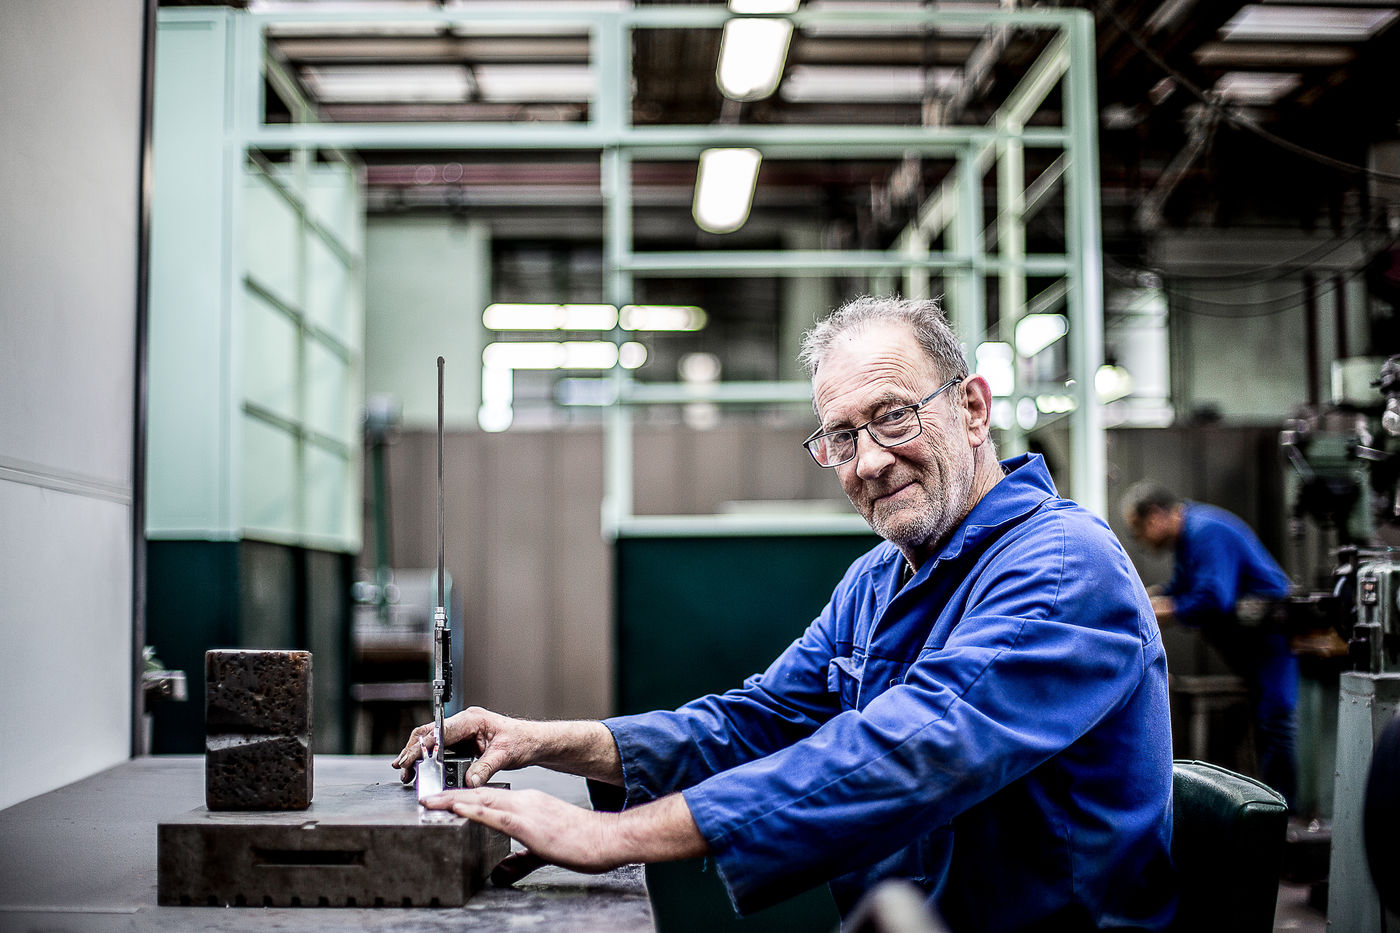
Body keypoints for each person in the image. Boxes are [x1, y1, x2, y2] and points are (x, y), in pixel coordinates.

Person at [396, 296, 1176, 931]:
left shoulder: (1061, 565)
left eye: (894, 415)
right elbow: (756, 721)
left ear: (972, 409)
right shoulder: (879, 579)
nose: (870, 460)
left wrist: (611, 835)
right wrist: (552, 742)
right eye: (842, 436)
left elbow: (913, 747)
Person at [1121, 481, 1298, 808]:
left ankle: (1285, 814)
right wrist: (1146, 597)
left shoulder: (1205, 532)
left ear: (1155, 516)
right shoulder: (1189, 538)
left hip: (1271, 635)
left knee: (1276, 721)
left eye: (1138, 530)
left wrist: (1161, 610)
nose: (1141, 541)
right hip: (1254, 641)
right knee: (1265, 722)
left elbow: (1215, 598)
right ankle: (1270, 809)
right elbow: (1182, 586)